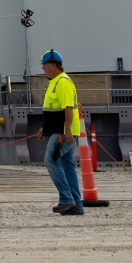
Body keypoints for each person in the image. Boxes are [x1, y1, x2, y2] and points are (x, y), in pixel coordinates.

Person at [39, 50, 83, 215]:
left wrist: (68, 131)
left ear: (52, 65)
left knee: (50, 160)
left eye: (44, 64)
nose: (42, 68)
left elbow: (68, 108)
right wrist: (45, 128)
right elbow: (53, 110)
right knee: (68, 166)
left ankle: (66, 199)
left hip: (62, 132)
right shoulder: (54, 82)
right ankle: (76, 205)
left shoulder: (63, 82)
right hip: (58, 130)